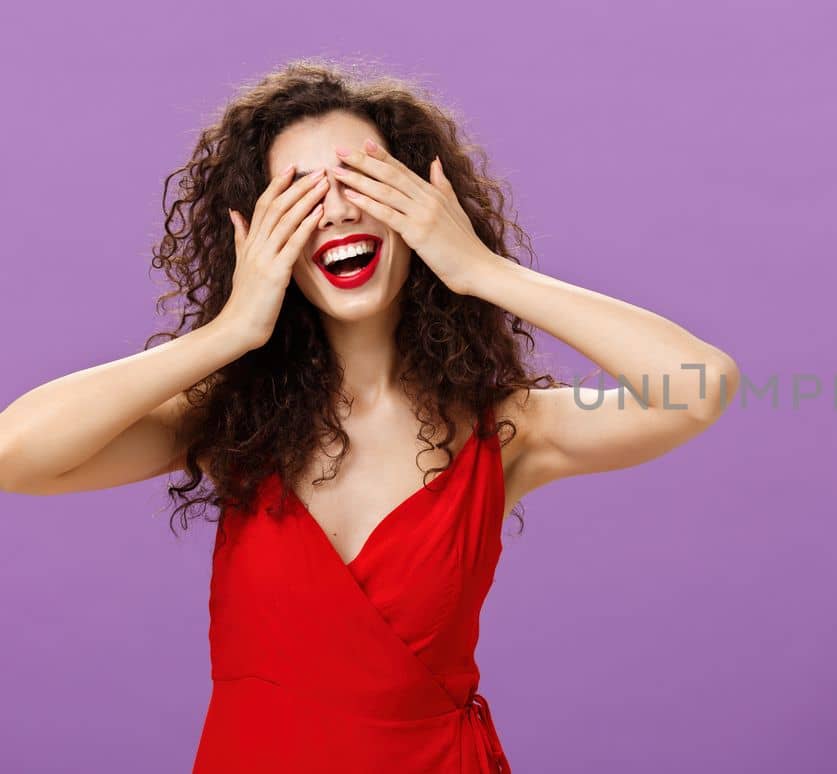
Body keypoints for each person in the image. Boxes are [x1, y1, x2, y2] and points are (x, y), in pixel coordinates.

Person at [0, 59, 738, 773]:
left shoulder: (508, 430)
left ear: (423, 207)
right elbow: (15, 453)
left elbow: (699, 387)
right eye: (299, 195)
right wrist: (229, 332)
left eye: (365, 181)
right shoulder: (225, 421)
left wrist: (482, 268)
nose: (341, 208)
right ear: (257, 235)